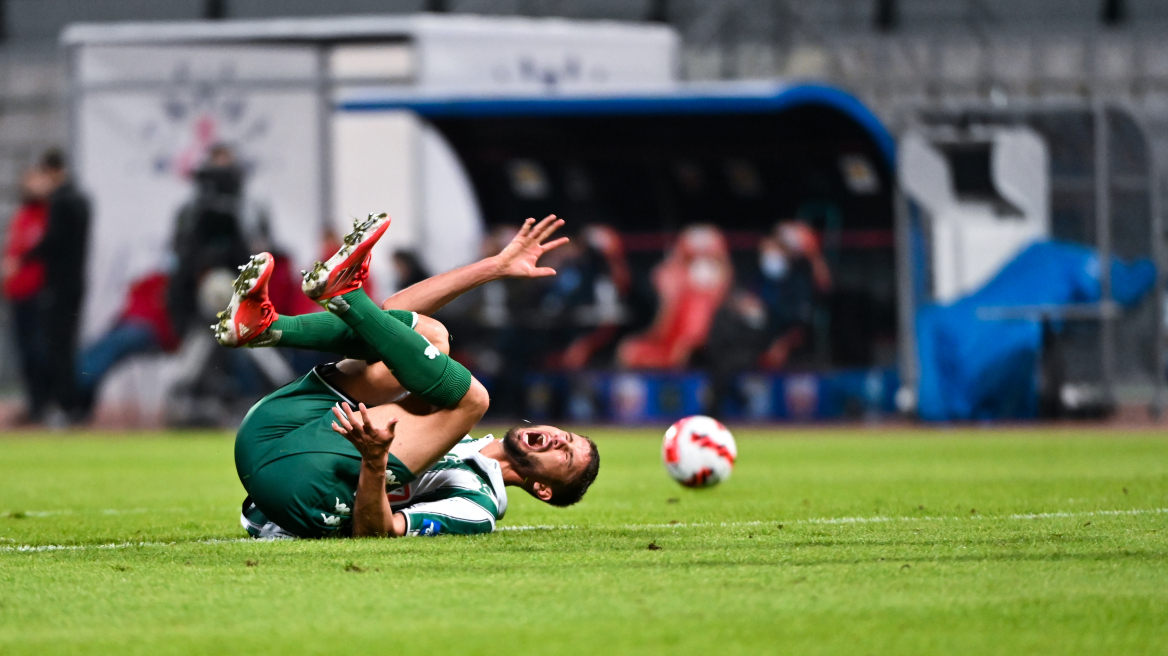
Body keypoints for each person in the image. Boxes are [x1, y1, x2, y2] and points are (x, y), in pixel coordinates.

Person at [214, 213, 599, 538]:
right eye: (565, 437)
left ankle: (340, 298)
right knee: (425, 337)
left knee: (473, 398)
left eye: (563, 455)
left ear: (542, 489)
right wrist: (495, 267)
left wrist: (376, 462)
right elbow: (396, 312)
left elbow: (377, 531)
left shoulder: (477, 505)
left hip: (304, 493)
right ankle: (266, 327)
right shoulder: (451, 428)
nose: (555, 440)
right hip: (267, 433)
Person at [26, 149, 90, 421]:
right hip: (75, 283)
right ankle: (73, 405)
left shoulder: (61, 201)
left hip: (59, 285)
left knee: (58, 349)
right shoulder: (82, 199)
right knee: (68, 346)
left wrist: (25, 257)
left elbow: (53, 241)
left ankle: (65, 406)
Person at [1, 167, 53, 422]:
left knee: (39, 351)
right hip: (17, 293)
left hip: (37, 293)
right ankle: (33, 405)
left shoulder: (47, 217)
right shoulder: (22, 216)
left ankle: (44, 405)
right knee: (24, 353)